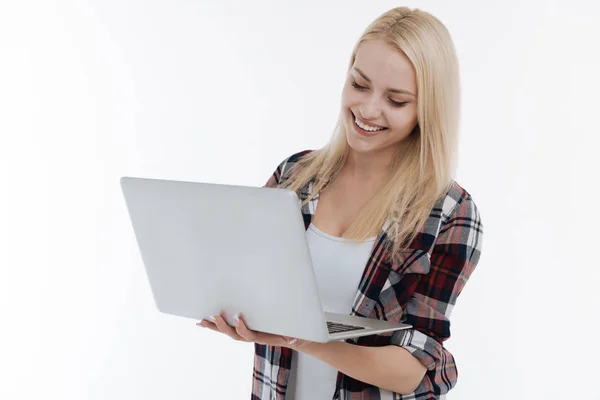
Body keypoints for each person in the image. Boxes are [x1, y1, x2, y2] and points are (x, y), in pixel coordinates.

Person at [197, 6, 483, 400]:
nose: (367, 110)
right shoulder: (293, 177)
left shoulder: (451, 214)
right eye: (360, 85)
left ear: (427, 110)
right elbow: (248, 281)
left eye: (396, 100)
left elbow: (412, 371)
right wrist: (228, 304)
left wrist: (301, 338)